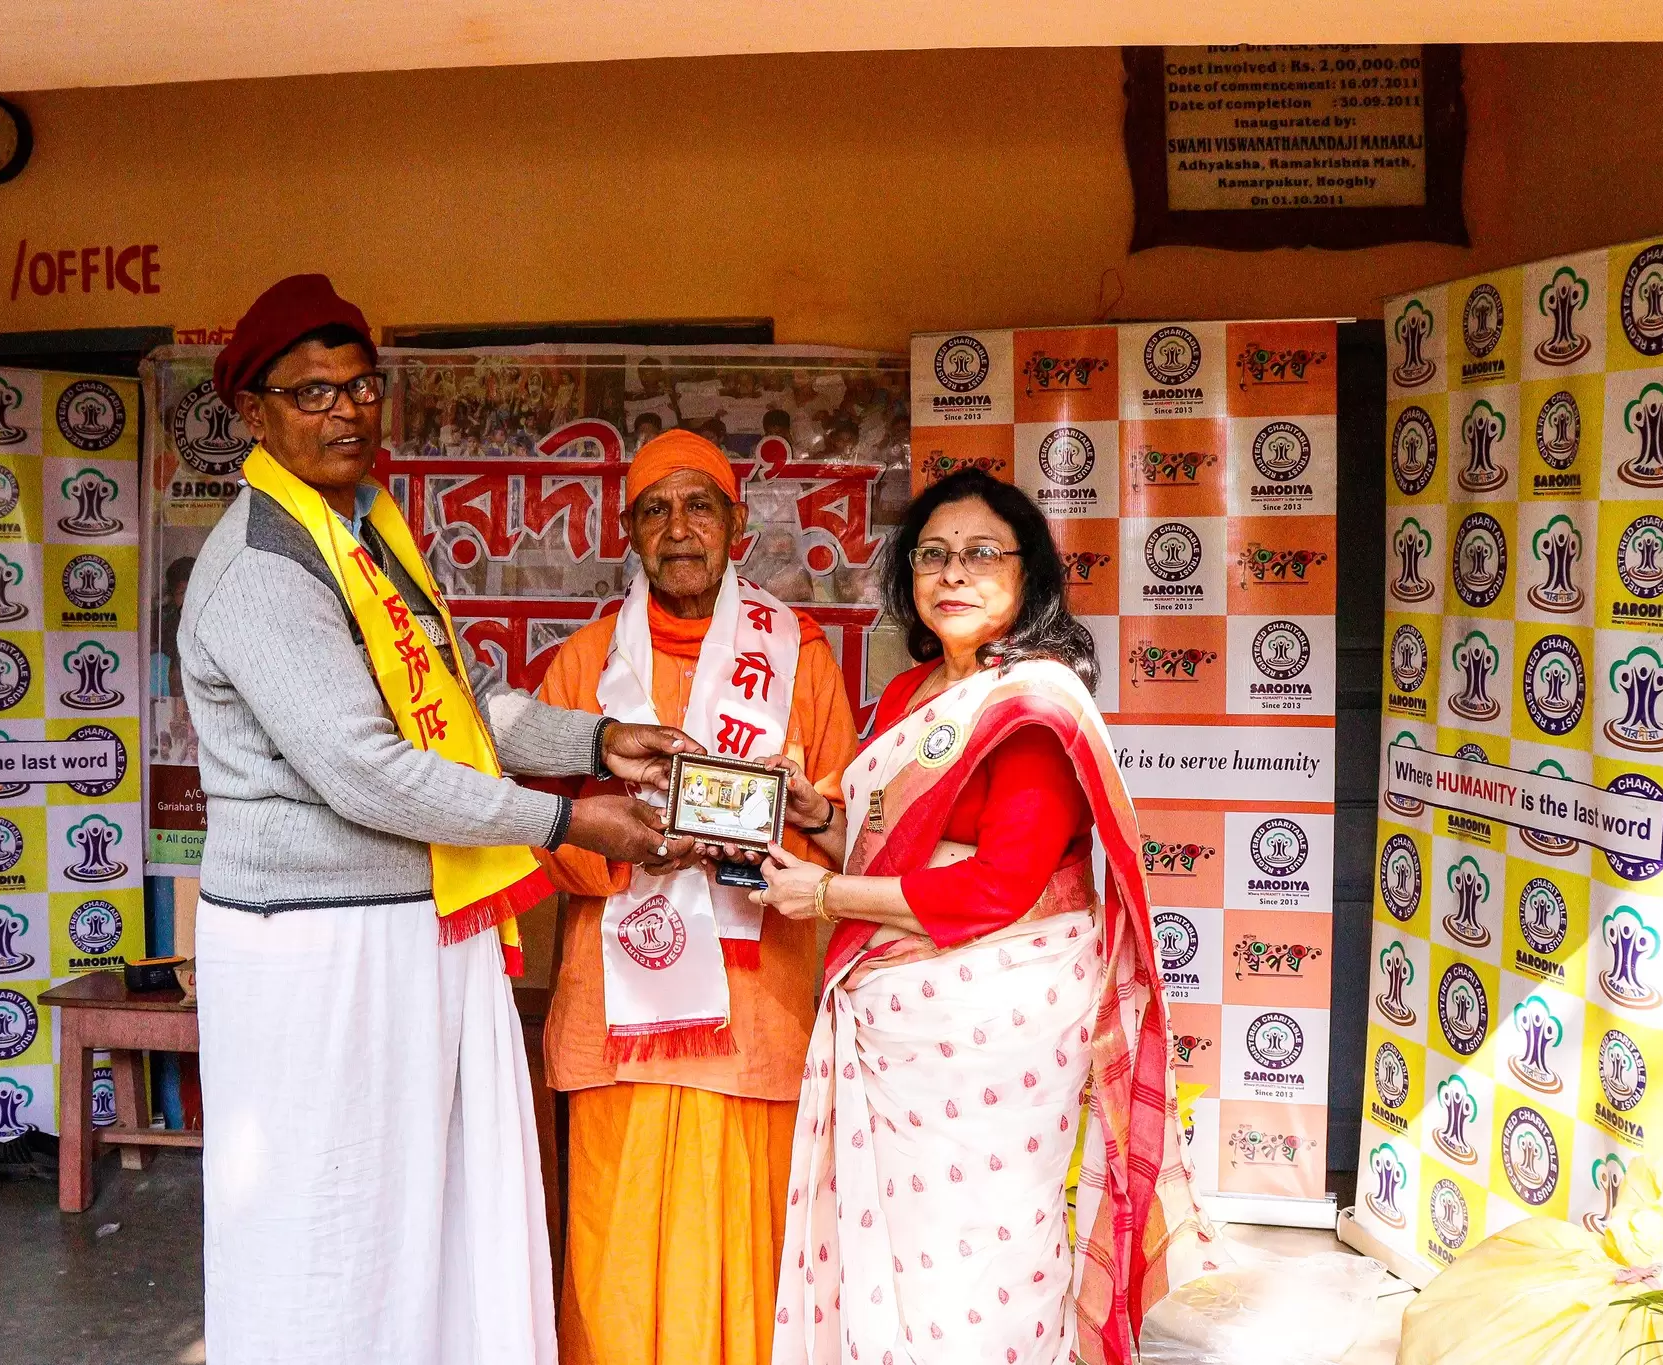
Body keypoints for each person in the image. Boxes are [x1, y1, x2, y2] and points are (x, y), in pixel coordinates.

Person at [178, 274, 698, 1365]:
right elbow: (365, 772)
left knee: (428, 1218)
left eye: (361, 386)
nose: (346, 411)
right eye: (312, 392)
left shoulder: (364, 532)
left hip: (409, 927)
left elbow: (460, 706)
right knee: (332, 1232)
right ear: (254, 414)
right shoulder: (262, 566)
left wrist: (598, 742)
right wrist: (564, 823)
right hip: (315, 948)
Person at [757, 469, 1219, 1364]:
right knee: (891, 1259)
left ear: (1026, 573)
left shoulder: (1033, 704)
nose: (953, 573)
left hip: (995, 1033)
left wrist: (822, 897)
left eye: (980, 554)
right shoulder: (908, 694)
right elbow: (888, 847)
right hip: (894, 1024)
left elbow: (998, 887)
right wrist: (819, 818)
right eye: (932, 555)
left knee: (981, 1264)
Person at [533, 429, 860, 1365]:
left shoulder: (798, 656)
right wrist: (629, 846)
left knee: (746, 1267)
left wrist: (783, 828)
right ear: (628, 530)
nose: (679, 529)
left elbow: (844, 826)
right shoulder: (583, 664)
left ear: (736, 524)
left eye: (699, 506)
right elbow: (544, 829)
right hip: (619, 1017)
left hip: (754, 1011)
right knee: (617, 1264)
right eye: (656, 510)